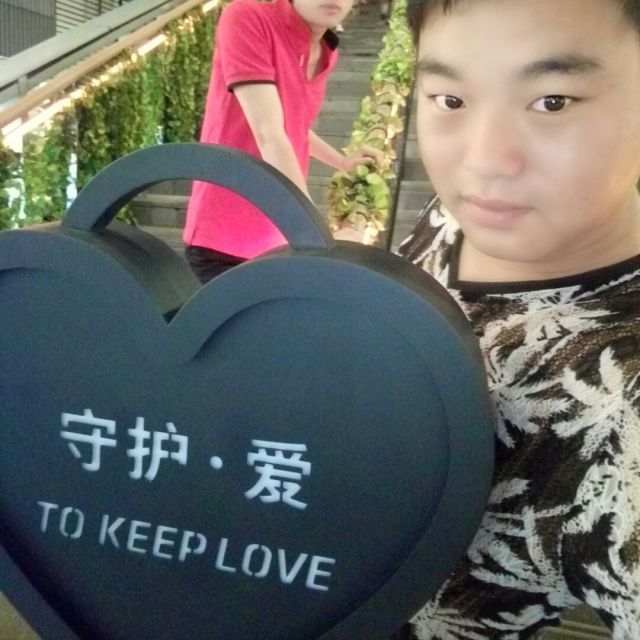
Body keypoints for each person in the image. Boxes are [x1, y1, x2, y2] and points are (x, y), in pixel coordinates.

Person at [393, 0, 640, 638]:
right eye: (450, 100)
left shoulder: (624, 400)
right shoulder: (465, 215)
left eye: (552, 102)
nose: (483, 161)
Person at [183, 0, 381, 283]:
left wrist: (341, 162)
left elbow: (294, 126)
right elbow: (269, 132)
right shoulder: (247, 17)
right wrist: (318, 234)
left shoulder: (326, 50)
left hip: (280, 238)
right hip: (224, 237)